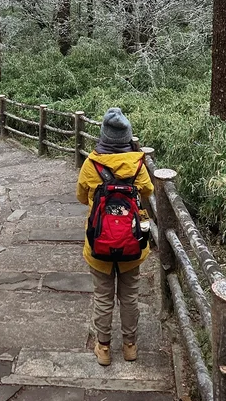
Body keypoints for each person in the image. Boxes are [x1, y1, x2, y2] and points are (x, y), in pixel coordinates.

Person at [76, 107, 154, 366]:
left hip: (99, 245)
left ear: (103, 137)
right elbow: (147, 192)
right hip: (133, 245)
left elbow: (80, 196)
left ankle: (104, 349)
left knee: (102, 297)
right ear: (127, 137)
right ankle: (130, 347)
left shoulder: (91, 164)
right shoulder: (139, 164)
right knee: (130, 297)